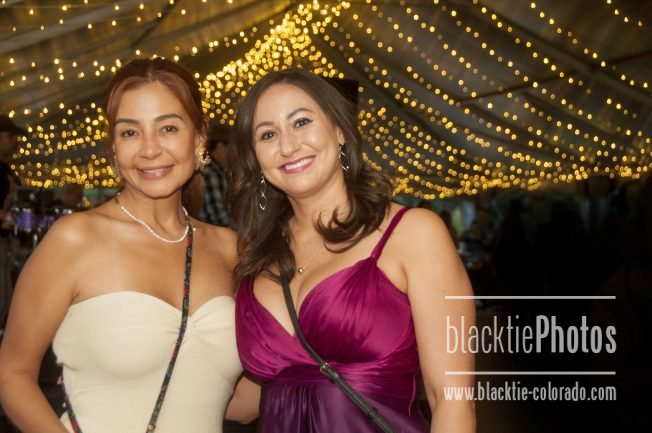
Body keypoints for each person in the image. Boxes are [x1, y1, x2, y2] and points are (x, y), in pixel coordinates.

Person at [0, 58, 257, 433]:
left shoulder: (231, 249)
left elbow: (243, 403)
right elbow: (12, 374)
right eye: (130, 132)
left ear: (200, 138)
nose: (149, 149)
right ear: (114, 148)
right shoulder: (76, 239)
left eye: (168, 128)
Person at [230, 69, 475, 433]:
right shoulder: (254, 258)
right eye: (268, 134)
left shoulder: (412, 233)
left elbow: (451, 401)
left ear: (340, 131)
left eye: (301, 122)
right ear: (256, 158)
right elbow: (248, 403)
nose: (288, 145)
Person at [0, 114, 24, 328]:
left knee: (5, 298)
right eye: (10, 135)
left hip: (4, 239)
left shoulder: (5, 170)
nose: (16, 140)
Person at [199, 122, 232, 227]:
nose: (233, 153)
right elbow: (218, 216)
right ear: (220, 146)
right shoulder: (212, 173)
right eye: (231, 148)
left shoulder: (215, 170)